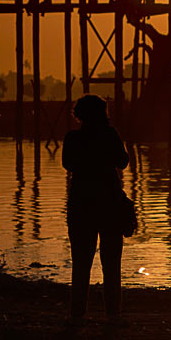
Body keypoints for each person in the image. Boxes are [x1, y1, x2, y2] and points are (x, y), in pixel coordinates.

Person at [62, 95, 129, 323]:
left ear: (79, 114)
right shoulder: (110, 135)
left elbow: (68, 164)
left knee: (81, 262)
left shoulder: (72, 138)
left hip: (81, 204)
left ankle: (77, 313)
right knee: (111, 263)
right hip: (109, 204)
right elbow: (123, 161)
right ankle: (113, 314)